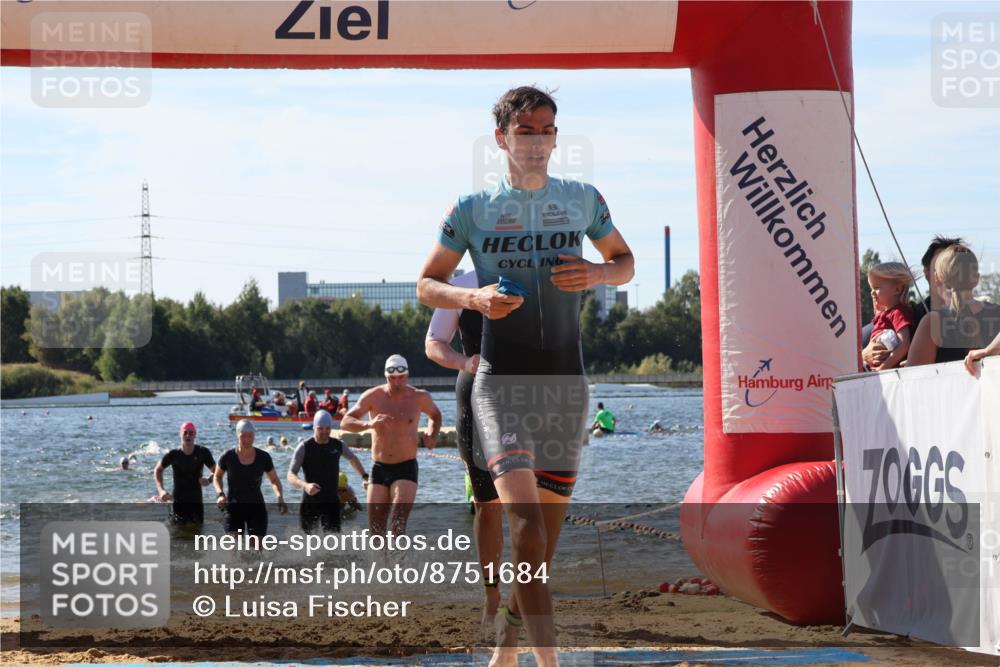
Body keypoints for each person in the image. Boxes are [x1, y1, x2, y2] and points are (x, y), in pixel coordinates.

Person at [416, 86, 634, 665]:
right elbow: (425, 284)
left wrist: (595, 274)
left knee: (542, 554)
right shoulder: (471, 209)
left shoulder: (583, 199)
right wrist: (476, 296)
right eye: (526, 131)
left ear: (556, 138)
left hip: (566, 387)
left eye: (547, 131)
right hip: (500, 385)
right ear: (502, 139)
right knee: (528, 535)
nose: (537, 142)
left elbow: (626, 263)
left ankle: (506, 650)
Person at [426, 269, 505, 631]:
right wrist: (463, 362)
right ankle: (492, 599)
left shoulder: (534, 269)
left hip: (530, 392)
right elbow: (434, 342)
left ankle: (530, 593)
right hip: (475, 392)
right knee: (488, 507)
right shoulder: (463, 281)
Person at [340, 354, 442, 537]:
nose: (396, 382)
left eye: (401, 377)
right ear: (386, 376)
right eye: (392, 378)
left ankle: (400, 565)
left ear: (407, 375)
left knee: (397, 524)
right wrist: (368, 425)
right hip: (379, 467)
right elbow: (345, 422)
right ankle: (381, 566)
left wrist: (432, 434)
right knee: (375, 532)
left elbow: (435, 415)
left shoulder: (420, 397)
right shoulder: (373, 396)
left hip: (406, 467)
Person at [863, 235, 964, 369]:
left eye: (955, 265)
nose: (948, 271)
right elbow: (869, 343)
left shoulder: (984, 316)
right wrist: (865, 355)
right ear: (927, 271)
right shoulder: (908, 314)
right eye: (940, 265)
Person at [908, 245, 1000, 367]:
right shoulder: (996, 313)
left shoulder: (932, 322)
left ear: (937, 278)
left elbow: (914, 378)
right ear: (976, 279)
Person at [287, 410, 368, 533]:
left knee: (333, 544)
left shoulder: (338, 445)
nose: (324, 431)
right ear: (314, 427)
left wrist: (364, 476)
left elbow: (353, 459)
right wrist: (305, 485)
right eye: (320, 428)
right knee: (307, 544)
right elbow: (290, 475)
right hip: (310, 502)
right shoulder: (304, 447)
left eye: (327, 428)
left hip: (332, 501)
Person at [213, 419, 288, 538]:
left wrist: (280, 497)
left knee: (255, 552)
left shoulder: (263, 457)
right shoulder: (228, 456)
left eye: (250, 436)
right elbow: (217, 476)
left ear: (254, 435)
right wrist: (220, 494)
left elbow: (274, 480)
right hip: (234, 508)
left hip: (257, 509)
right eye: (243, 436)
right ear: (237, 435)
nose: (247, 439)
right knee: (231, 547)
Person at [154, 421, 217, 526]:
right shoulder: (173, 454)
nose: (188, 435)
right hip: (178, 502)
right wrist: (161, 491)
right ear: (180, 434)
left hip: (196, 502)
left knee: (198, 536)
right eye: (185, 433)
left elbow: (217, 471)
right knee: (177, 537)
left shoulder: (203, 452)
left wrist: (209, 480)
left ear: (195, 435)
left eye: (191, 433)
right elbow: (158, 470)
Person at [863, 262, 916, 371]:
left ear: (897, 289)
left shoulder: (898, 313)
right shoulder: (883, 315)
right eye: (871, 288)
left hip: (889, 372)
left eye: (876, 287)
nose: (872, 293)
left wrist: (883, 367)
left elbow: (904, 345)